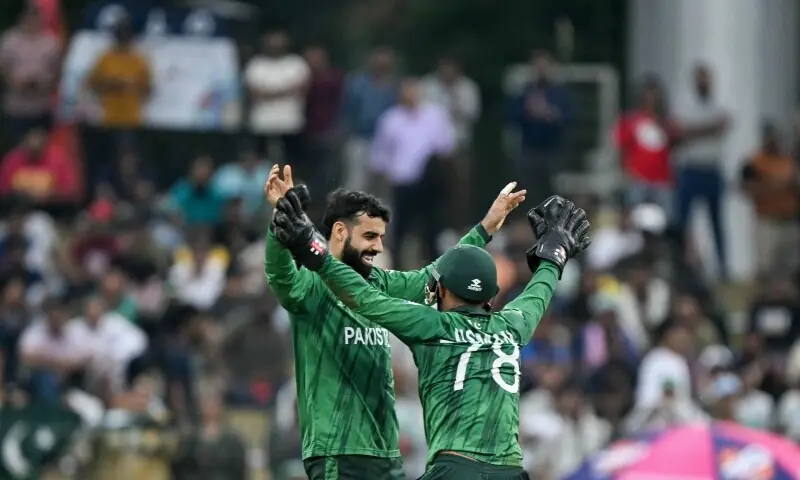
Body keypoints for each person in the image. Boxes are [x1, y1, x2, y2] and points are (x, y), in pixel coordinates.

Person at [271, 192, 590, 479]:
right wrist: (554, 254)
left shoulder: (430, 324)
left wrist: (313, 248)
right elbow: (540, 290)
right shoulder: (513, 325)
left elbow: (363, 297)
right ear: (491, 297)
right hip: (510, 471)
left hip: (455, 468)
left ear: (440, 290)